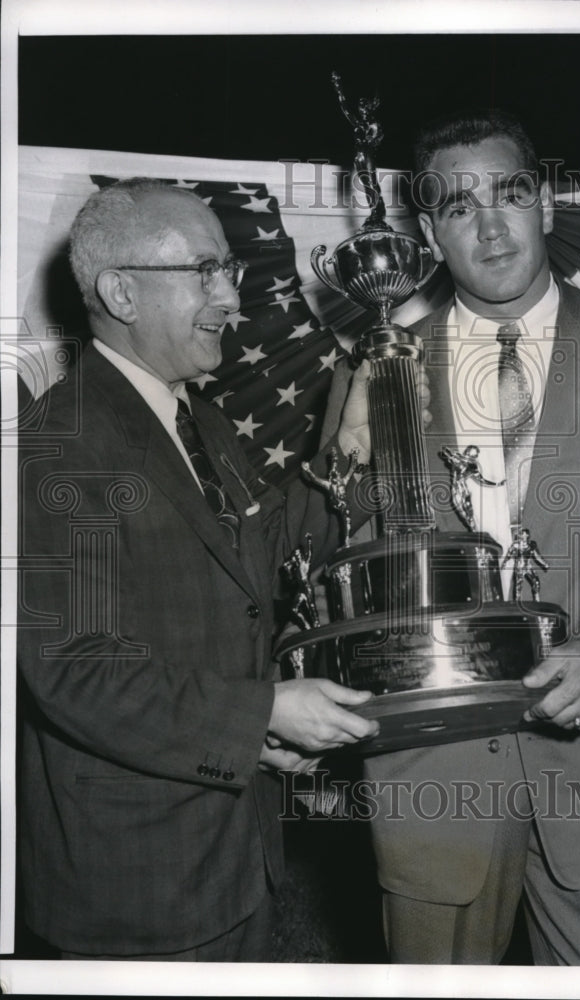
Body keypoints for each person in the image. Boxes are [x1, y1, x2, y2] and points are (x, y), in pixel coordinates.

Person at [324, 109, 580, 964]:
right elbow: (343, 560)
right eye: (457, 205)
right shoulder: (376, 365)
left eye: (508, 193)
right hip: (431, 766)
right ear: (429, 232)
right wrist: (348, 449)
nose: (490, 223)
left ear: (544, 203)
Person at [15, 178, 378, 962]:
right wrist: (263, 717)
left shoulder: (196, 415)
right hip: (134, 881)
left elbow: (266, 559)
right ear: (120, 291)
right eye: (205, 271)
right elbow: (76, 673)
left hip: (230, 850)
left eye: (231, 273)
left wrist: (344, 451)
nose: (231, 299)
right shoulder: (62, 443)